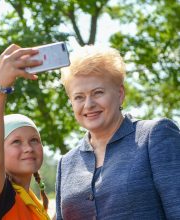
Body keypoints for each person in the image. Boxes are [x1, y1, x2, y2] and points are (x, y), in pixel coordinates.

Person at [55, 45, 180, 219]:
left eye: (97, 93)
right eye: (79, 97)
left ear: (120, 93)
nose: (88, 104)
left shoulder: (154, 136)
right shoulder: (66, 163)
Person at [0, 44, 50, 220]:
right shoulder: (0, 195)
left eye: (34, 140)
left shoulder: (34, 203)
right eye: (16, 141)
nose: (28, 148)